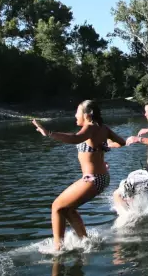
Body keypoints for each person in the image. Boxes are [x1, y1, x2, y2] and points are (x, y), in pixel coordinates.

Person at [33, 100, 130, 251]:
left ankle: (58, 248)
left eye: (77, 112)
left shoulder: (90, 127)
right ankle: (84, 240)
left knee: (57, 207)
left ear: (87, 115)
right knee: (67, 209)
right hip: (101, 177)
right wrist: (104, 146)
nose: (75, 115)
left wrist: (49, 133)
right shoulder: (103, 128)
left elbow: (75, 138)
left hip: (93, 179)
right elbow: (122, 142)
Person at [112, 100, 148, 214]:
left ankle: (126, 217)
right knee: (128, 179)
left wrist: (138, 139)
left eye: (147, 111)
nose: (145, 114)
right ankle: (133, 208)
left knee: (117, 194)